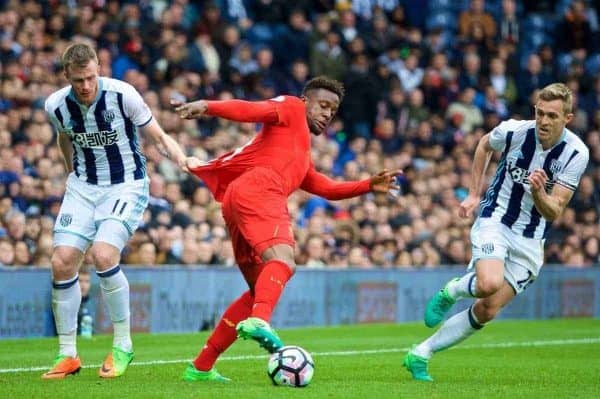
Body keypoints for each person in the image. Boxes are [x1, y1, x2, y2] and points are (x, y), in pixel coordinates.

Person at [172, 76, 401, 382]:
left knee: (258, 290)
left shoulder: (300, 154)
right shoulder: (292, 107)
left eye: (332, 110)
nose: (327, 113)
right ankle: (260, 321)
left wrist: (368, 186)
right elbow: (252, 110)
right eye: (323, 105)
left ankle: (200, 366)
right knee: (283, 260)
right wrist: (207, 106)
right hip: (259, 189)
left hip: (237, 200)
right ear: (306, 101)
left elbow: (328, 188)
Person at [403, 83, 589, 381]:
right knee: (488, 283)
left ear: (567, 118)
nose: (543, 121)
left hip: (531, 237)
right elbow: (483, 145)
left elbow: (554, 211)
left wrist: (539, 191)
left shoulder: (576, 153)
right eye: (540, 113)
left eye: (552, 116)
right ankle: (452, 290)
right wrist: (474, 194)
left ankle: (420, 354)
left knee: (487, 310)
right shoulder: (514, 131)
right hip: (496, 219)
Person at [42, 43, 187, 379]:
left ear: (99, 69)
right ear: (67, 76)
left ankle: (122, 344)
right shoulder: (56, 106)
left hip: (126, 185)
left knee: (104, 255)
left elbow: (158, 137)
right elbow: (64, 137)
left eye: (91, 77)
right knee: (61, 261)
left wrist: (181, 160)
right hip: (82, 186)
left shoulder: (124, 96)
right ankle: (68, 355)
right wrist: (70, 173)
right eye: (78, 80)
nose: (86, 86)